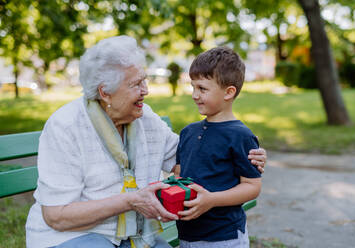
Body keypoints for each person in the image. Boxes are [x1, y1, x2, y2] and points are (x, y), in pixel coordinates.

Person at [25, 36, 267, 248]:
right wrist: (130, 200)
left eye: (145, 80)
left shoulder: (144, 118)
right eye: (136, 84)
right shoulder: (66, 126)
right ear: (105, 92)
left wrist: (247, 156)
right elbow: (56, 216)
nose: (146, 90)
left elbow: (190, 157)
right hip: (76, 236)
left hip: (138, 237)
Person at [174, 47, 262, 248]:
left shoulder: (241, 135)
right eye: (193, 87)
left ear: (228, 92)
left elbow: (252, 186)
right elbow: (180, 175)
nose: (195, 95)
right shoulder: (188, 132)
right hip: (187, 235)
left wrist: (211, 200)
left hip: (224, 237)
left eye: (202, 89)